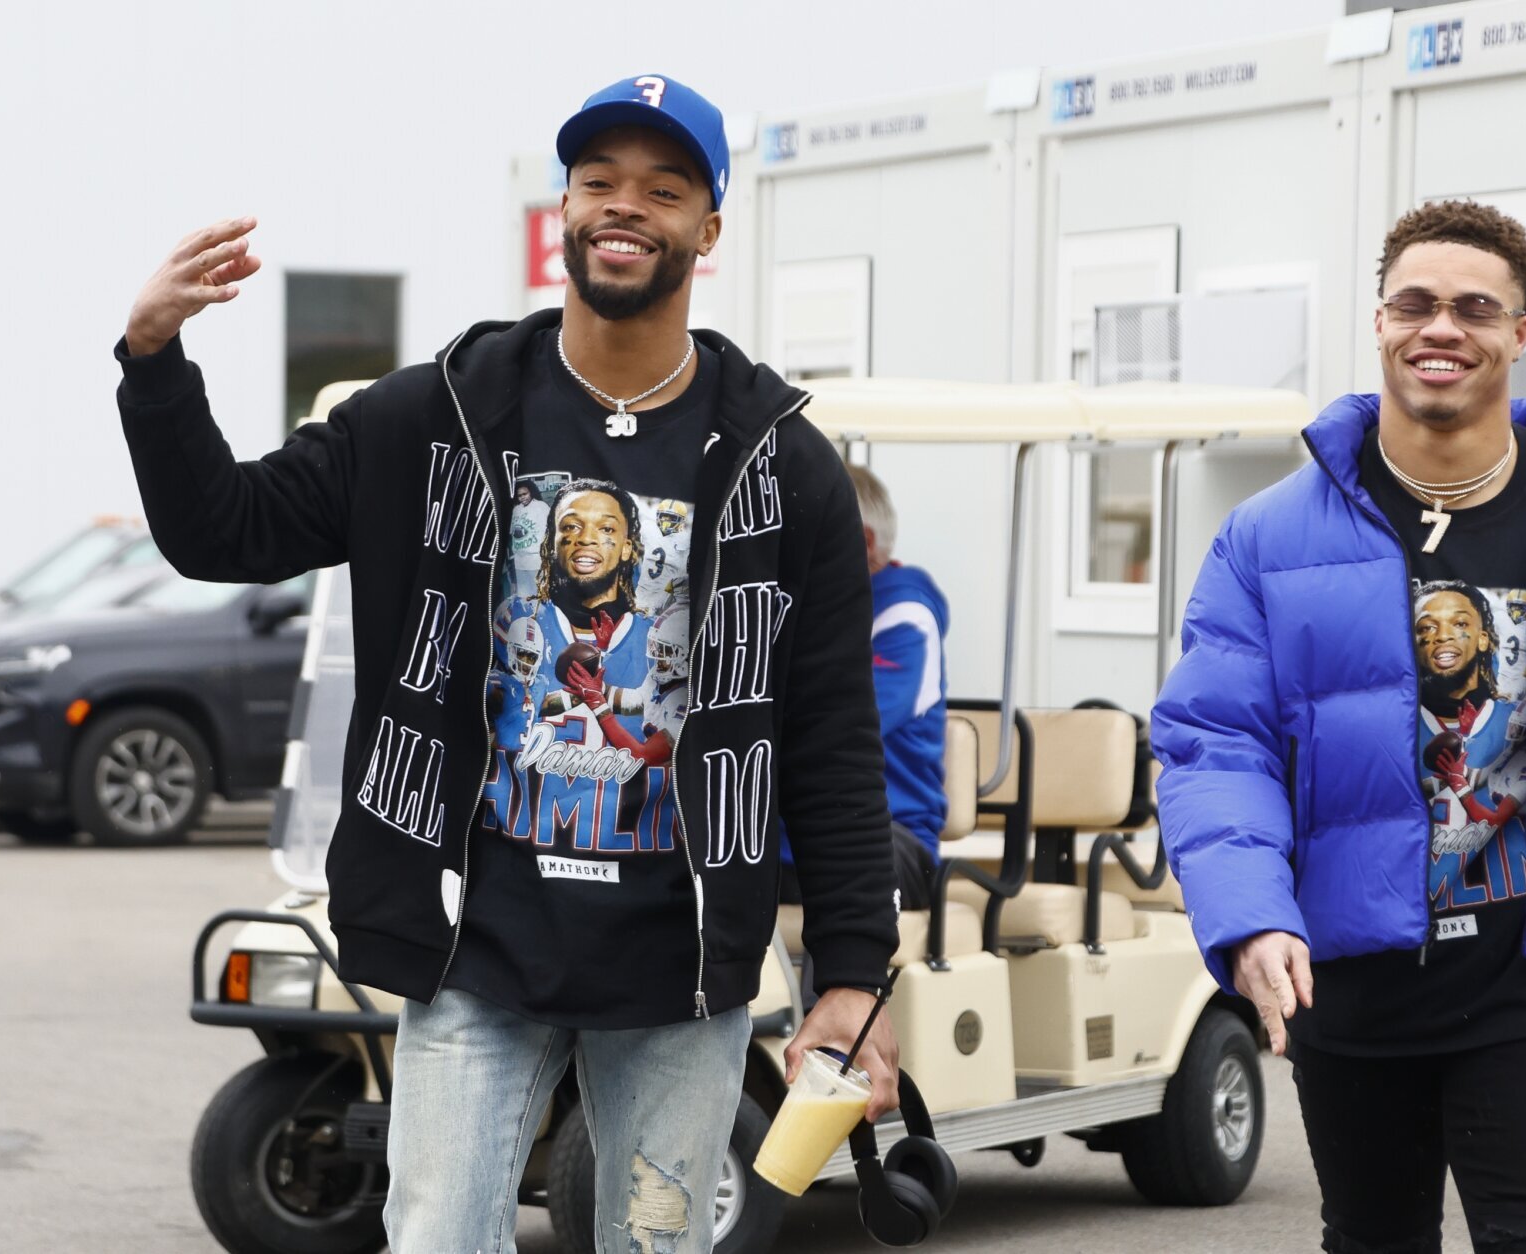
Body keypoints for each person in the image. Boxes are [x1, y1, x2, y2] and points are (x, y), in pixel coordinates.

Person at [116, 74, 901, 1254]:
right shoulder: (435, 415)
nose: (623, 208)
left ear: (708, 229)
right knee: (435, 1238)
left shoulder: (782, 466)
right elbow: (221, 529)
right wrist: (153, 357)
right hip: (475, 939)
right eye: (598, 184)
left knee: (655, 1243)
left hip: (683, 965)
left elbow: (833, 734)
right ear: (566, 210)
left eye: (661, 189)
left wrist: (854, 973)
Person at [1153, 200, 1526, 1254]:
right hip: (1349, 993)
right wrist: (1250, 918)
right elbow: (1215, 745)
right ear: (1379, 324)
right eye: (1414, 304)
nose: (1441, 328)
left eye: (1475, 307)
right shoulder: (1267, 537)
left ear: (1521, 333)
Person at [780, 465, 949, 914]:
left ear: (862, 542)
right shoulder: (795, 610)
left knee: (840, 850)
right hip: (792, 826)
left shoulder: (907, 619)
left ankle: (841, 982)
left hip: (893, 836)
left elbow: (837, 723)